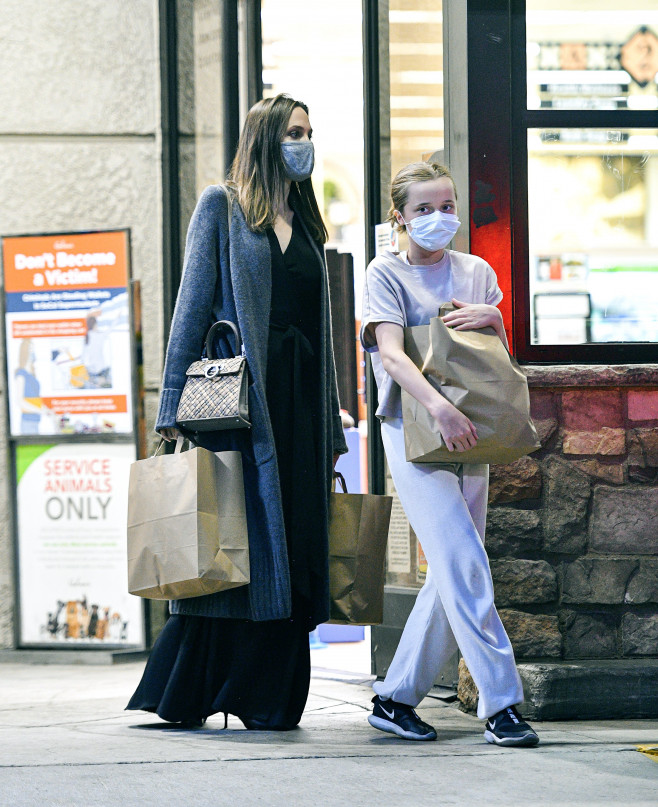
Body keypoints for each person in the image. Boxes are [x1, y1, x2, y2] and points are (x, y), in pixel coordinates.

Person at [127, 93, 347, 730]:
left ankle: (269, 695)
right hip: (239, 405)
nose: (303, 143)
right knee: (236, 542)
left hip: (300, 409)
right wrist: (171, 407)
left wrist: (331, 420)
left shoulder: (307, 222)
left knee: (293, 541)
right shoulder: (220, 207)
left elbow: (322, 332)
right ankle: (198, 690)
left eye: (308, 132)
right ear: (265, 138)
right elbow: (191, 307)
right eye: (294, 133)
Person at [360, 162, 539, 747]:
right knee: (463, 562)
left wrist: (496, 318)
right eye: (424, 209)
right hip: (413, 431)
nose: (440, 219)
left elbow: (491, 357)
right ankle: (502, 703)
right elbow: (391, 355)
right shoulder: (384, 274)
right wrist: (439, 409)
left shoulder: (477, 270)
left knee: (454, 569)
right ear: (400, 217)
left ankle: (394, 698)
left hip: (473, 429)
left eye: (447, 206)